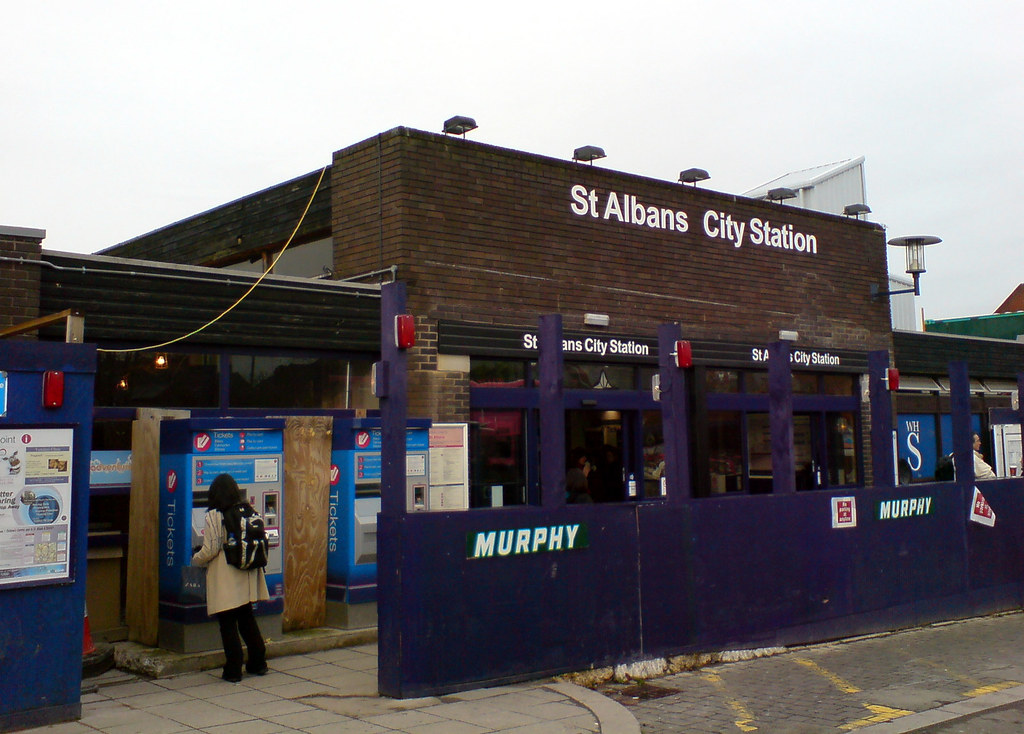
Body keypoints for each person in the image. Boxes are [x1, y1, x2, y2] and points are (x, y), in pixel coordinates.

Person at [191, 473, 269, 682]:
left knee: (227, 624)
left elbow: (211, 549)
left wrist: (196, 558)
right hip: (246, 573)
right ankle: (258, 663)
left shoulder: (215, 516)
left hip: (226, 576)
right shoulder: (248, 510)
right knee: (246, 619)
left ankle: (233, 670)